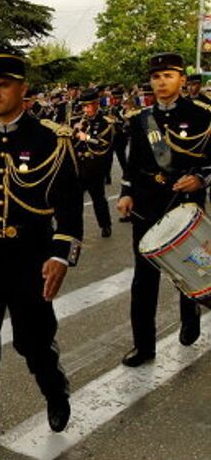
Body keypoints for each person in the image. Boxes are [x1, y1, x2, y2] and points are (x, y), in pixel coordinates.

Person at [0, 55, 83, 460]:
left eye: (2, 85)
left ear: (23, 89)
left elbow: (69, 205)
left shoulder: (51, 139)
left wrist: (61, 255)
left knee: (32, 341)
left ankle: (53, 386)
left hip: (30, 257)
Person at [116, 52, 211, 366]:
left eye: (168, 76)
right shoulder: (141, 119)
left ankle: (191, 310)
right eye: (156, 77)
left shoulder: (202, 113)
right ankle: (144, 346)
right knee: (144, 279)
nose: (160, 82)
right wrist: (126, 193)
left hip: (185, 204)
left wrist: (200, 179)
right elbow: (133, 164)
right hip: (147, 204)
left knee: (189, 266)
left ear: (182, 80)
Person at [72, 88, 114, 238]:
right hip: (79, 166)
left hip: (95, 166)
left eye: (89, 106)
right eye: (84, 106)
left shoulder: (105, 122)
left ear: (96, 104)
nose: (86, 109)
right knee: (76, 201)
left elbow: (104, 144)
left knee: (98, 198)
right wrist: (74, 132)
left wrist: (87, 138)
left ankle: (105, 225)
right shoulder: (78, 121)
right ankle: (76, 230)